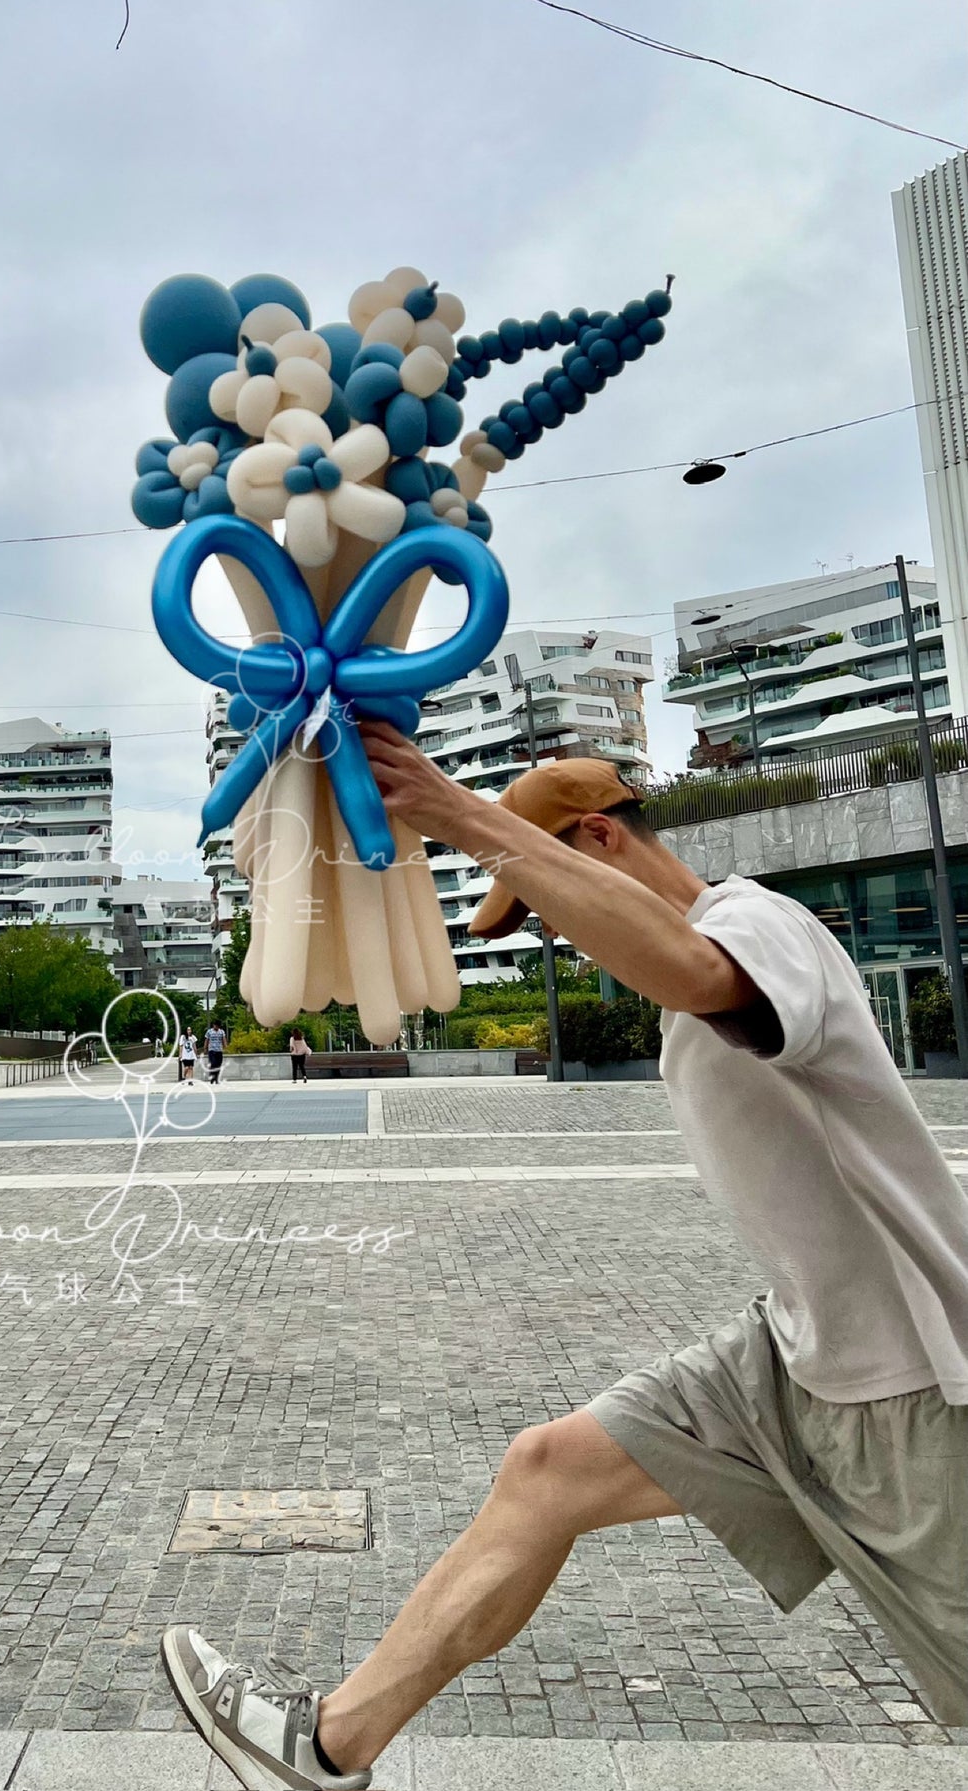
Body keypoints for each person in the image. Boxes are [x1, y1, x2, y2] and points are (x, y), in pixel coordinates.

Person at [162, 739, 968, 1789]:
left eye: (542, 898)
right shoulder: (696, 961)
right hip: (787, 1354)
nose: (549, 931)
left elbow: (691, 968)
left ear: (596, 838)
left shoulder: (753, 922)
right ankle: (321, 1747)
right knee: (544, 1470)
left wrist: (462, 818)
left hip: (911, 1377)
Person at [205, 1017, 227, 1085]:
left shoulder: (221, 1032)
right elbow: (207, 1040)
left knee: (218, 1065)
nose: (216, 1027)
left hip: (219, 1050)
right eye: (215, 1025)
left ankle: (216, 1078)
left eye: (217, 1026)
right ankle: (212, 1076)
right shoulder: (209, 1031)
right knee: (213, 1064)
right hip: (212, 1050)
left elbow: (224, 1040)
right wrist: (205, 1048)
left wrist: (225, 1047)